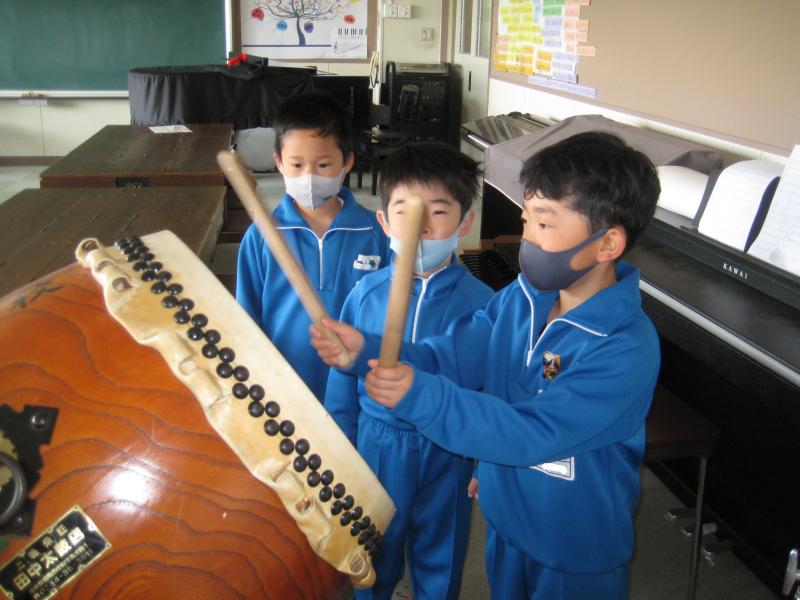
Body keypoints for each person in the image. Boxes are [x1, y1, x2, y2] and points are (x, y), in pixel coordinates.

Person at [312, 131, 662, 599]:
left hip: (572, 547)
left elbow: (532, 431)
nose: (526, 238)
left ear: (607, 243)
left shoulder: (624, 347)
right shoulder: (521, 300)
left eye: (544, 223)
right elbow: (449, 356)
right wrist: (367, 352)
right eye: (526, 220)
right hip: (506, 523)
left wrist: (422, 397)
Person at [324, 142, 493, 600]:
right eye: (406, 212)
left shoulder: (483, 305)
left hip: (449, 446)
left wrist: (485, 460)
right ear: (384, 222)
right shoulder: (365, 294)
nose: (421, 227)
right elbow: (342, 378)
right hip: (377, 444)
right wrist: (339, 446)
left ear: (465, 223)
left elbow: (491, 392)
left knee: (441, 550)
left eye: (437, 212)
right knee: (372, 549)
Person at [236, 92, 390, 401]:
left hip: (358, 387)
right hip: (284, 388)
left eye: (323, 164)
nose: (309, 176)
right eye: (296, 164)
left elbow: (391, 314)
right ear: (278, 163)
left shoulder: (376, 233)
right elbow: (246, 320)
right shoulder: (261, 236)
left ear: (347, 161)